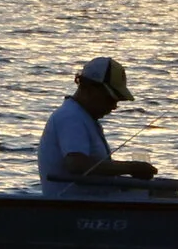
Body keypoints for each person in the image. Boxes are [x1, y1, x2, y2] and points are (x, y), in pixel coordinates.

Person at [37, 55, 160, 196]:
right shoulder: (71, 117)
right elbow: (77, 164)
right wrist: (131, 168)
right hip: (78, 206)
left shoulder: (83, 117)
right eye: (110, 98)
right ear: (89, 89)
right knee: (163, 195)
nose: (114, 106)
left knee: (161, 189)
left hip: (98, 201)